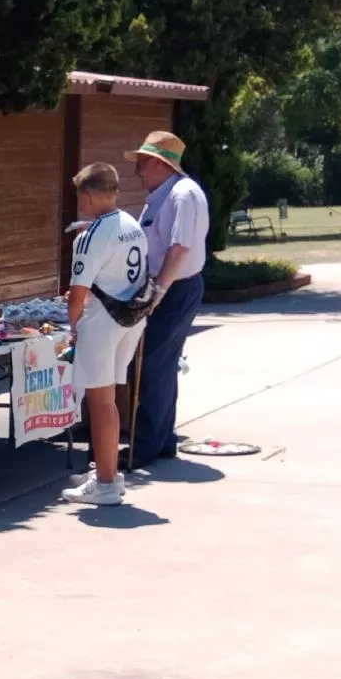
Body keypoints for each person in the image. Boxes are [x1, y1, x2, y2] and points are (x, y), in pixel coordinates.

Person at [60, 163, 150, 506]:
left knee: (98, 403)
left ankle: (106, 483)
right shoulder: (131, 224)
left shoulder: (89, 237)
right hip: (130, 318)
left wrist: (73, 327)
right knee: (108, 399)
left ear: (87, 195)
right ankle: (109, 472)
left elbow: (77, 294)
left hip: (102, 320)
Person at [126, 130, 209, 468]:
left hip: (173, 287)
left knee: (151, 368)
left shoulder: (182, 195)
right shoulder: (165, 194)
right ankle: (161, 440)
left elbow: (178, 249)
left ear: (160, 164)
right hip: (168, 286)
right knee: (160, 368)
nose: (139, 173)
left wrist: (157, 292)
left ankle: (143, 447)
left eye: (142, 165)